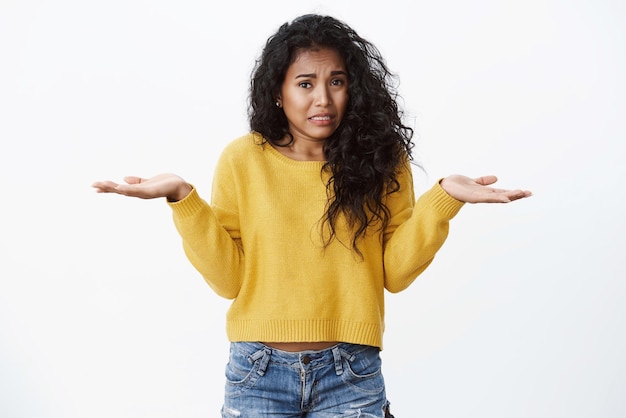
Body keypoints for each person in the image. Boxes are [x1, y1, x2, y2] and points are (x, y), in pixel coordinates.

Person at [93, 14, 531, 418]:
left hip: (351, 374)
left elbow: (395, 274)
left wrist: (443, 200)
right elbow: (228, 281)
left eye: (336, 81)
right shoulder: (243, 159)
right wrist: (182, 197)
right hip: (257, 374)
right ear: (278, 93)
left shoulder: (380, 158)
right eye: (305, 83)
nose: (323, 98)